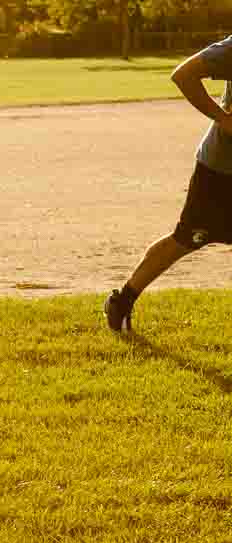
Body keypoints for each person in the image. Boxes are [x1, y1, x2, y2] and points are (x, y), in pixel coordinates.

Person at [105, 35, 232, 332]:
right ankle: (122, 300)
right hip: (221, 170)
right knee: (188, 237)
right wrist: (223, 119)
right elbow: (184, 74)